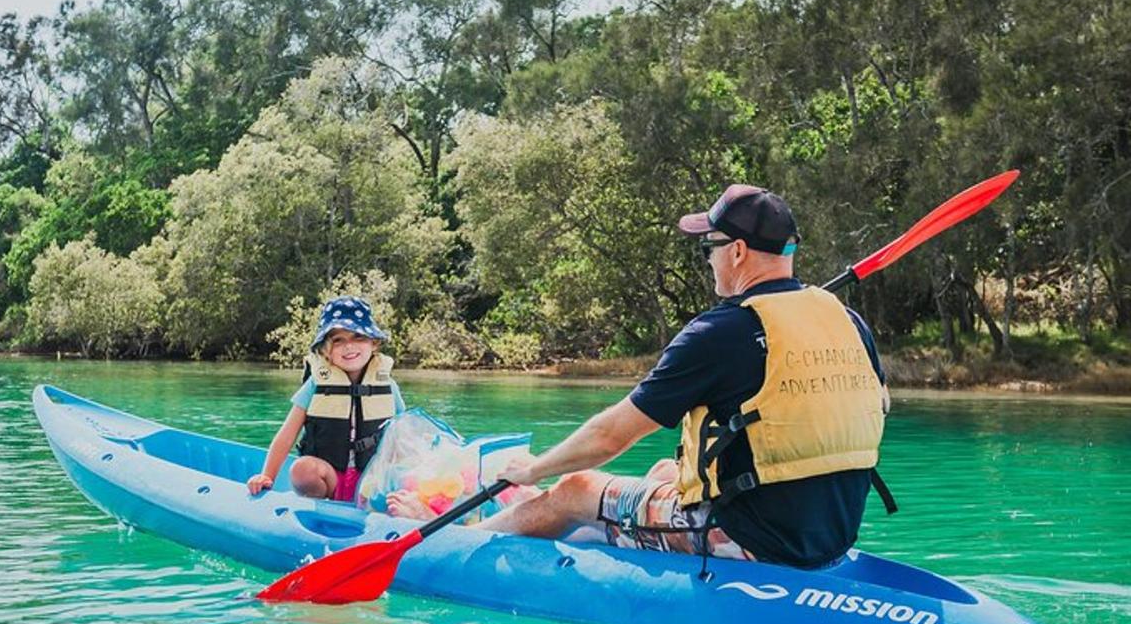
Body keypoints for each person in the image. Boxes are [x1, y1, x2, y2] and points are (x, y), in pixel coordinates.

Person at [480, 184, 893, 569]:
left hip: (753, 540)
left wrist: (535, 469)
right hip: (832, 536)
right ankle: (595, 526)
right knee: (665, 471)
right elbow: (877, 405)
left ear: (737, 252)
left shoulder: (717, 333)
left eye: (708, 248)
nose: (708, 260)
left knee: (574, 488)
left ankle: (468, 541)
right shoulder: (848, 321)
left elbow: (611, 436)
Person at [247, 295, 405, 502]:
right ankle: (322, 507)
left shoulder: (388, 386)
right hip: (331, 479)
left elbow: (404, 435)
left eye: (358, 337)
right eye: (338, 340)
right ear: (325, 350)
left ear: (374, 343)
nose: (349, 346)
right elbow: (287, 434)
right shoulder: (315, 385)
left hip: (372, 480)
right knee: (301, 470)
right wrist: (267, 476)